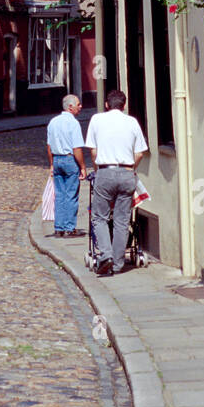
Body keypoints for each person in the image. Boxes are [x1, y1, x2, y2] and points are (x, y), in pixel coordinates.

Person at [85, 89, 148, 276]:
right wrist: (130, 169)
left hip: (105, 170)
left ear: (106, 104)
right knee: (122, 220)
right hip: (127, 172)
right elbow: (140, 153)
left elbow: (93, 151)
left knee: (99, 217)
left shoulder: (96, 119)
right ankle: (118, 264)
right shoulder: (132, 122)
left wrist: (98, 172)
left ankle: (106, 255)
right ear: (124, 105)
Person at [46, 94, 86, 238]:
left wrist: (51, 164)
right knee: (71, 195)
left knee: (60, 194)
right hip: (69, 160)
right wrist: (82, 166)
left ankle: (59, 228)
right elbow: (77, 148)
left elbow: (49, 146)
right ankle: (69, 228)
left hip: (57, 159)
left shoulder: (53, 122)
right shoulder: (73, 123)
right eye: (78, 104)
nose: (80, 107)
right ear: (70, 107)